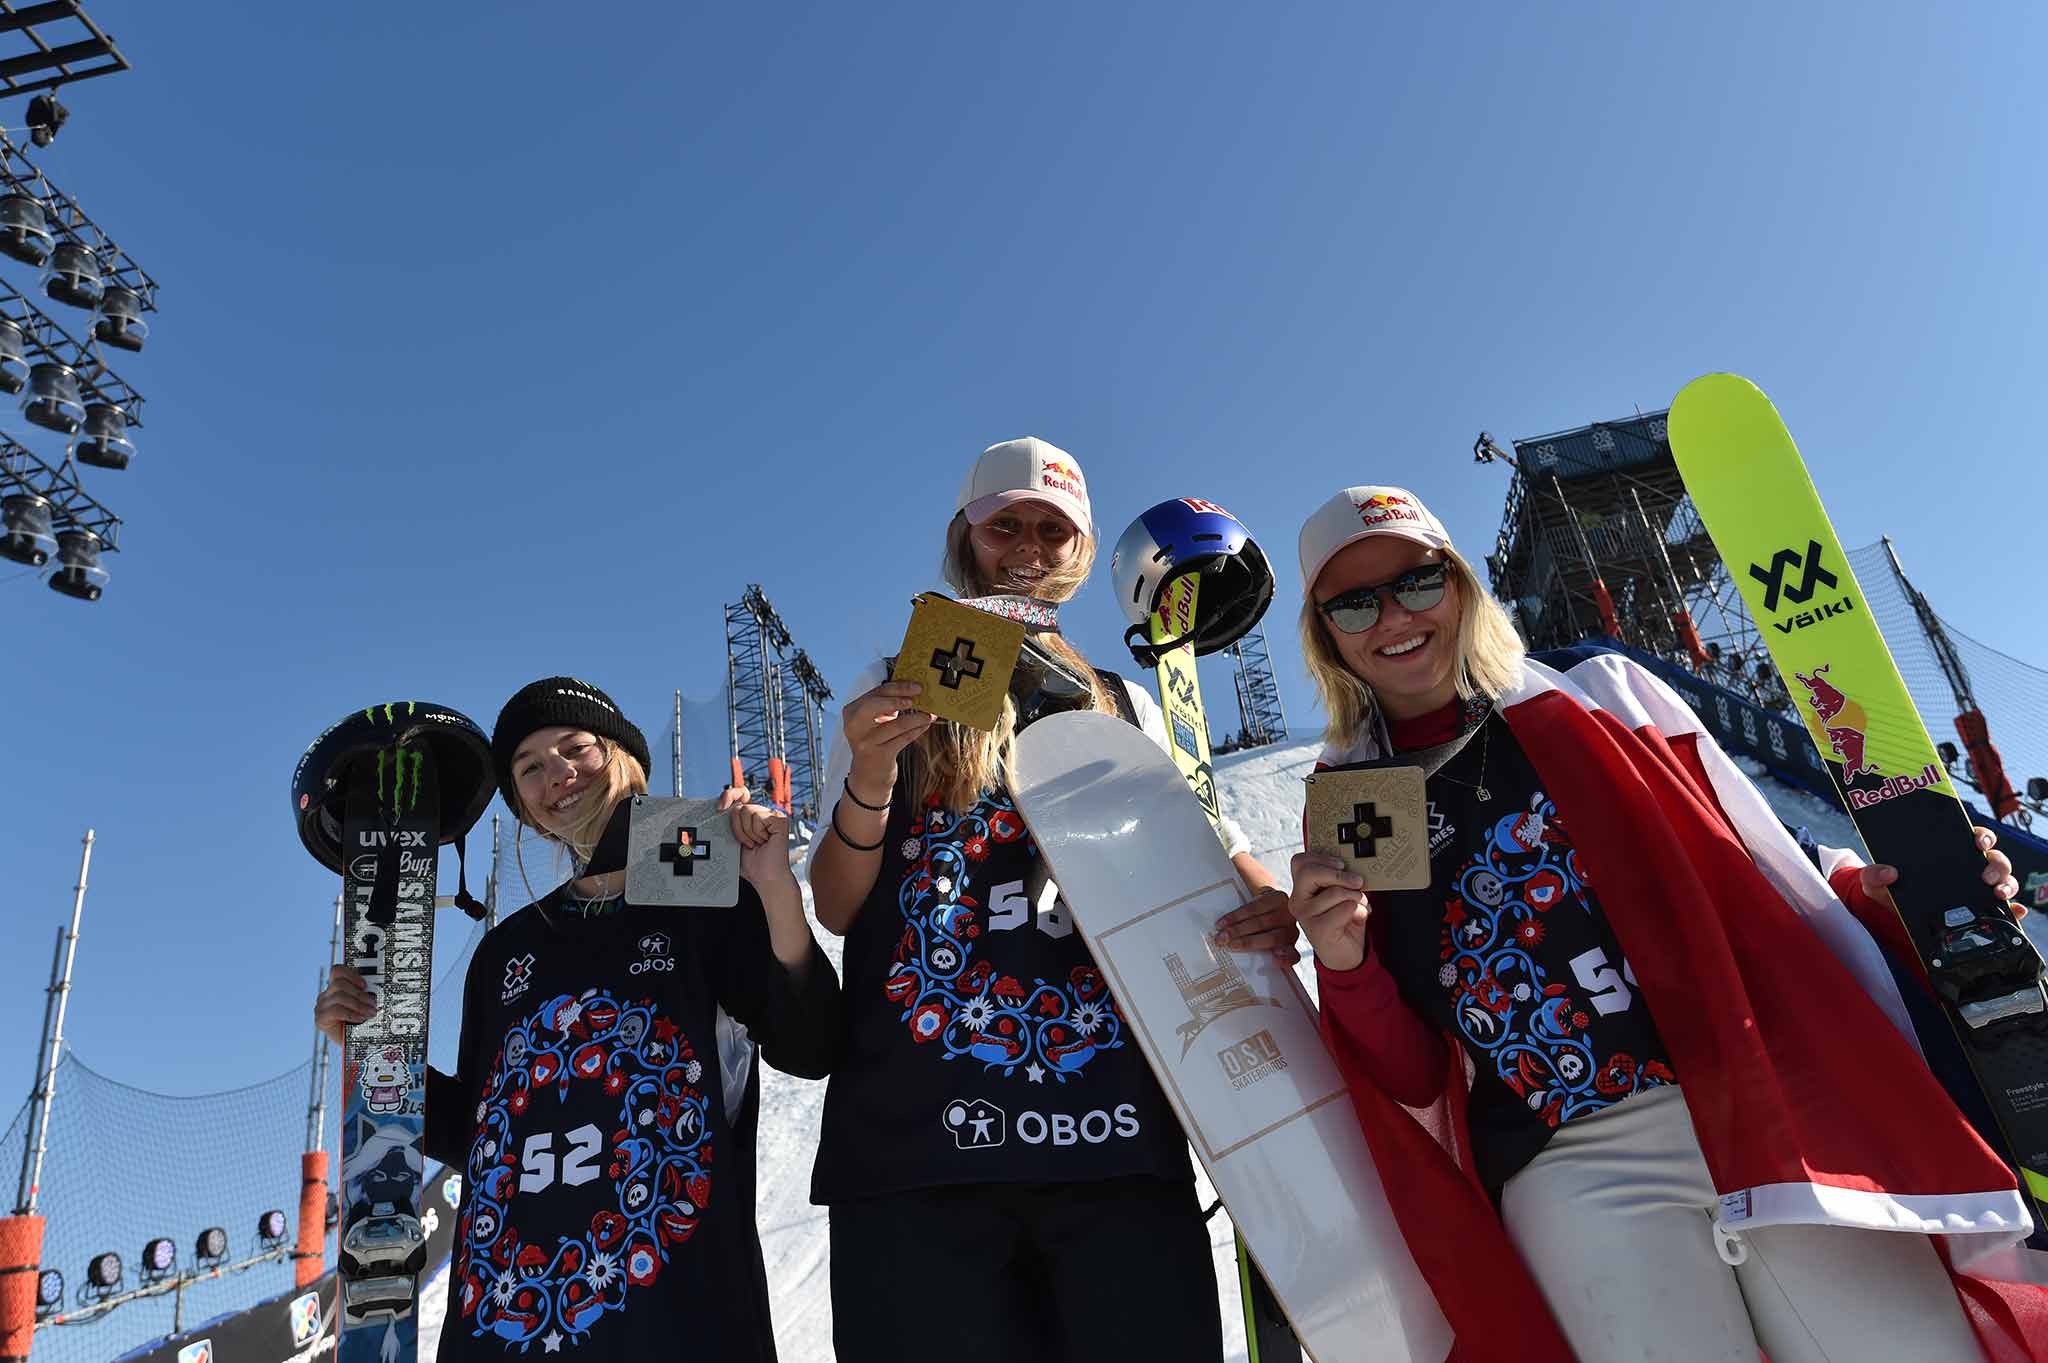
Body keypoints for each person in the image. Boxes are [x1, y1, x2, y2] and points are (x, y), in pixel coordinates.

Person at [1268, 484, 2047, 1363]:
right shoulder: (1356, 803)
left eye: (1417, 580)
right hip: (1572, 1157)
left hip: (1753, 1085)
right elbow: (1416, 1074)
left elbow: (1754, 854)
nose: (1394, 618)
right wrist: (1344, 963)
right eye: (1355, 603)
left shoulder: (1591, 695)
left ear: (1459, 584)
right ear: (1325, 633)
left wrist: (1893, 896)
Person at [806, 437, 1290, 1363]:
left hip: (1112, 1136)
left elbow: (1216, 851)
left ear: (1082, 548)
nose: (1028, 546)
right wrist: (869, 775)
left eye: (1053, 529)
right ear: (966, 535)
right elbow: (835, 904)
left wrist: (1272, 901)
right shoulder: (892, 682)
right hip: (920, 1143)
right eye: (1006, 525)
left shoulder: (1125, 701)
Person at [315, 676, 838, 1361]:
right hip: (508, 1321)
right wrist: (372, 1043)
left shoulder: (705, 899)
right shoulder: (506, 951)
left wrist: (772, 889)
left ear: (624, 758)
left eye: (575, 747)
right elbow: (480, 1134)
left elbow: (810, 1042)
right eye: (529, 767)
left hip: (676, 1320)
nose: (556, 773)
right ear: (523, 808)